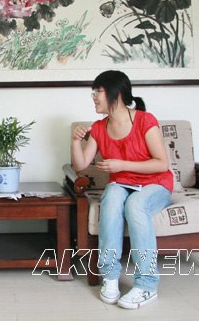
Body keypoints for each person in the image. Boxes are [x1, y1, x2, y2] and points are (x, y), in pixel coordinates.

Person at [71, 70, 173, 310]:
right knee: (111, 199)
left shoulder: (145, 121)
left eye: (98, 92)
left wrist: (121, 165)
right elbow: (81, 165)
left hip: (155, 183)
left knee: (135, 205)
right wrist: (75, 141)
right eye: (93, 92)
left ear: (115, 93)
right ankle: (110, 277)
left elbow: (162, 164)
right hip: (122, 184)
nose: (94, 97)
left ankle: (147, 285)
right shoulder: (99, 128)